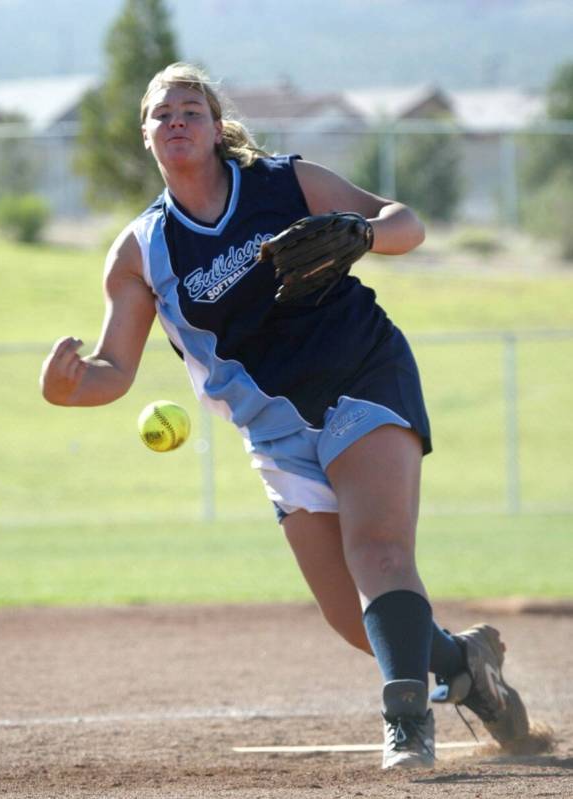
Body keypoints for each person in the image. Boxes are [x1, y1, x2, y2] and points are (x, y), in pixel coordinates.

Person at [40, 62, 532, 769]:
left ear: (215, 128)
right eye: (160, 113)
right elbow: (112, 371)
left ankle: (407, 720)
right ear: (145, 136)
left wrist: (363, 236)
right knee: (352, 617)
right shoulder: (141, 250)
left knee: (379, 552)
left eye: (190, 109)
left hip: (360, 372)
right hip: (272, 426)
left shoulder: (283, 182)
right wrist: (68, 388)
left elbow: (406, 222)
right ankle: (463, 662)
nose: (175, 120)